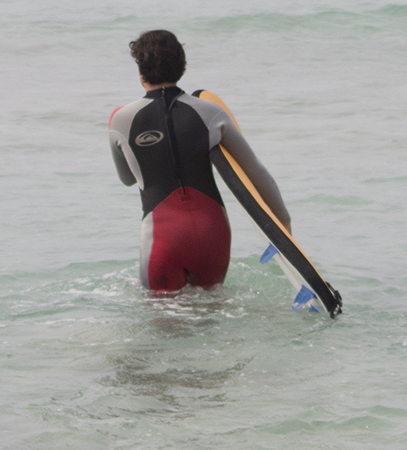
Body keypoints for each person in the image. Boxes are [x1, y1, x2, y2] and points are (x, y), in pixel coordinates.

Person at [107, 29, 290, 293]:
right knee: (211, 310)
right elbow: (256, 171)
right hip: (213, 232)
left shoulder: (121, 119)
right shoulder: (210, 112)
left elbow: (127, 179)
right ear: (181, 66)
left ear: (140, 69)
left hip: (162, 236)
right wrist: (284, 224)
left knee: (163, 315)